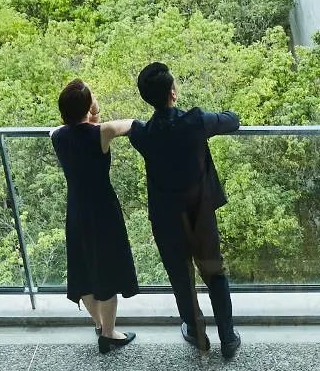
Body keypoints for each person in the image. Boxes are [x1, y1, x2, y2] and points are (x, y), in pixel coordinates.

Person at [127, 61, 242, 358]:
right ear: (173, 93)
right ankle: (228, 338)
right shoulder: (196, 122)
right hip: (200, 214)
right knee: (215, 273)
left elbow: (128, 127)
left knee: (181, 278)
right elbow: (233, 120)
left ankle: (196, 332)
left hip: (166, 221)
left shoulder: (143, 134)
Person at [50, 79, 139, 354]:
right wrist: (96, 113)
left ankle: (100, 326)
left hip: (76, 209)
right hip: (102, 210)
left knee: (84, 268)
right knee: (107, 268)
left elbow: (70, 128)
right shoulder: (104, 132)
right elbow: (132, 124)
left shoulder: (56, 135)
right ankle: (110, 334)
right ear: (88, 106)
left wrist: (89, 112)